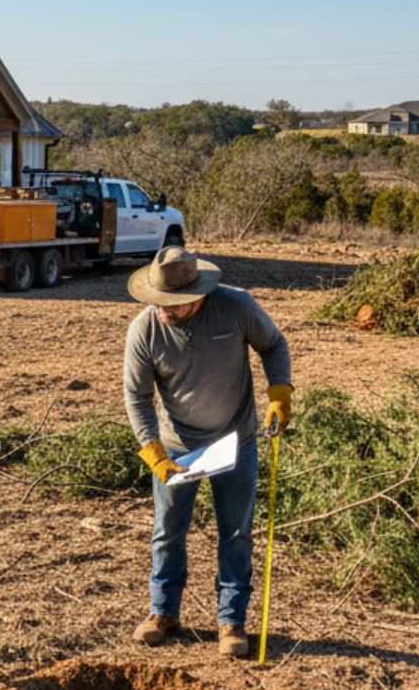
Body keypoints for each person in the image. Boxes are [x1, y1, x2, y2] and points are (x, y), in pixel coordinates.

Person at [122, 245, 292, 659]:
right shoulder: (144, 331)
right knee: (167, 532)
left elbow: (274, 344)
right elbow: (136, 396)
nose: (164, 311)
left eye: (174, 305)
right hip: (177, 447)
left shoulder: (236, 307)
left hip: (237, 440)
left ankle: (231, 621)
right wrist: (154, 452)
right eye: (158, 302)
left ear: (199, 295)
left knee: (236, 533)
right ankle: (163, 612)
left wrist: (279, 393)